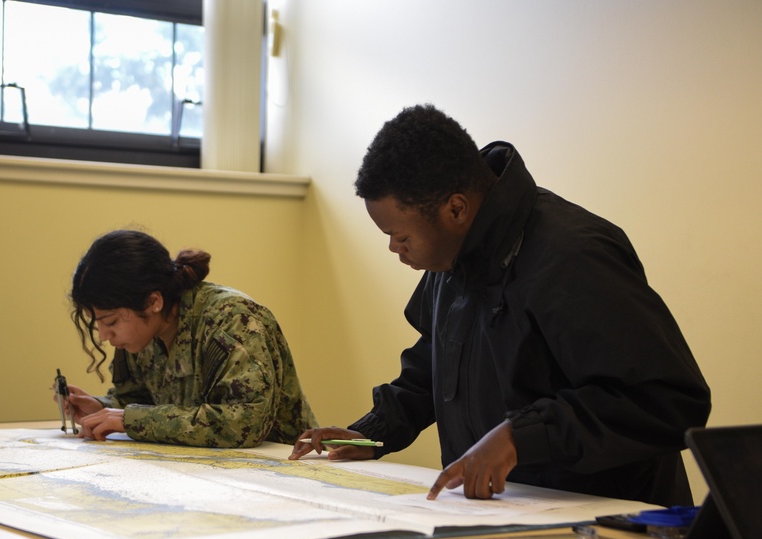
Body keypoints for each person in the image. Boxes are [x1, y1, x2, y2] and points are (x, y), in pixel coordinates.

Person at [289, 104, 711, 507]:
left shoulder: (574, 255)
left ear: (455, 208)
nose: (393, 248)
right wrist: (372, 433)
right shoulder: (449, 258)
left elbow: (667, 400)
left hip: (611, 525)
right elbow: (433, 368)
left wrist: (519, 436)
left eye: (401, 237)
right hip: (507, 517)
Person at [62, 229, 316, 447]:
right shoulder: (142, 335)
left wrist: (131, 420)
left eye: (111, 322)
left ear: (153, 302)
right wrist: (101, 408)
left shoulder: (233, 320)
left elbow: (242, 424)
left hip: (282, 473)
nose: (105, 336)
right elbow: (140, 401)